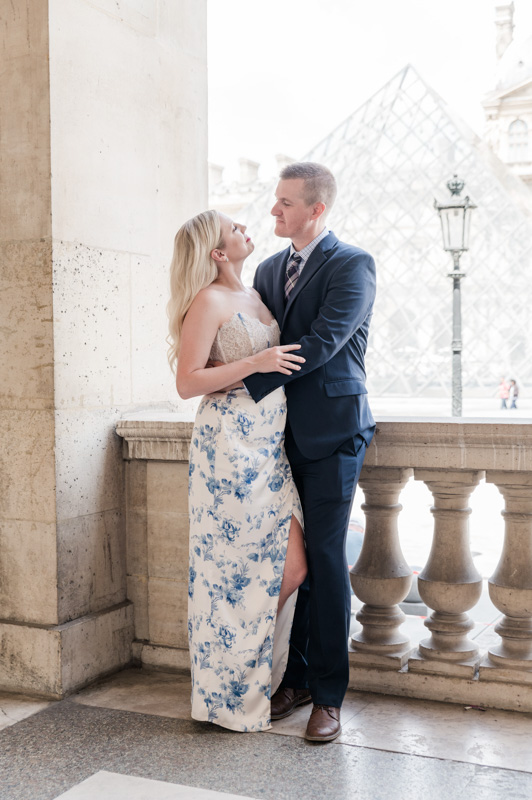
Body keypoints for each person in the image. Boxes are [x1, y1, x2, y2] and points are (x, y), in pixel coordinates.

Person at [242, 162, 376, 742]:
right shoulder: (269, 268)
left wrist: (241, 386)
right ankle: (291, 679)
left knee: (324, 559)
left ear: (316, 209)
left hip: (332, 434)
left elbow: (322, 343)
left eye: (285, 203)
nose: (274, 211)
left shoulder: (353, 264)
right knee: (284, 562)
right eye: (275, 201)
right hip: (272, 440)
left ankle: (327, 697)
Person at [167, 210, 308, 733]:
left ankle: (243, 674)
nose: (246, 227)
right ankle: (230, 689)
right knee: (230, 574)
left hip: (269, 447)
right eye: (234, 229)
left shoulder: (257, 296)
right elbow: (187, 382)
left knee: (289, 568)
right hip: (226, 449)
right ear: (217, 253)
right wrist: (255, 362)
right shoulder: (208, 301)